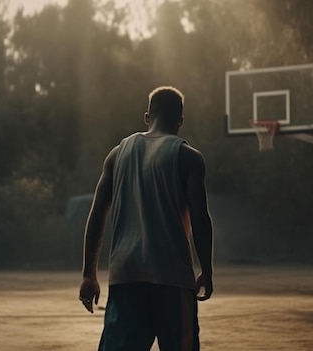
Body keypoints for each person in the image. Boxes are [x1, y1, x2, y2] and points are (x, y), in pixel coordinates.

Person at [78, 86, 214, 351]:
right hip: (172, 277)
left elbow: (96, 215)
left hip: (126, 277)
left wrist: (88, 274)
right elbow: (200, 219)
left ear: (147, 117)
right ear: (180, 122)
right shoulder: (189, 158)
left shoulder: (117, 154)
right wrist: (206, 272)